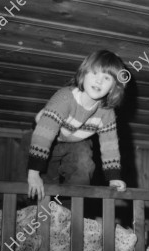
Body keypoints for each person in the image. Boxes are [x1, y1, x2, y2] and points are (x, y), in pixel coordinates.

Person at [27, 50, 128, 199]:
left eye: (106, 78)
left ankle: (69, 209)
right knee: (42, 182)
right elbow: (43, 136)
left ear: (113, 87)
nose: (99, 81)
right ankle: (35, 212)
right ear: (83, 74)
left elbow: (110, 146)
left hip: (75, 141)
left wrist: (114, 178)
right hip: (43, 138)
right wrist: (34, 173)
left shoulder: (107, 113)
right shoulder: (65, 98)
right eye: (94, 73)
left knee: (84, 163)